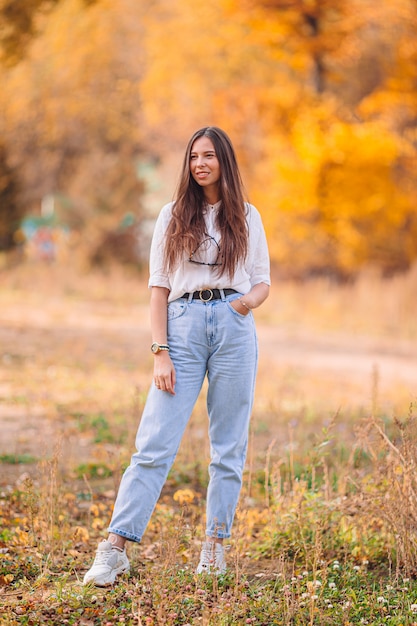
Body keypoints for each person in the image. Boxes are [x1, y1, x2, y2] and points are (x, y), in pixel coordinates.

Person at [83, 126, 270, 586]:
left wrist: (242, 304)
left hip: (234, 328)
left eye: (208, 155)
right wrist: (160, 350)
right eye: (193, 157)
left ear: (224, 160)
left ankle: (214, 546)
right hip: (182, 326)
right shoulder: (171, 215)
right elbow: (158, 286)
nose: (200, 163)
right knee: (154, 443)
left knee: (228, 447)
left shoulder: (247, 216)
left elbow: (263, 280)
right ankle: (115, 547)